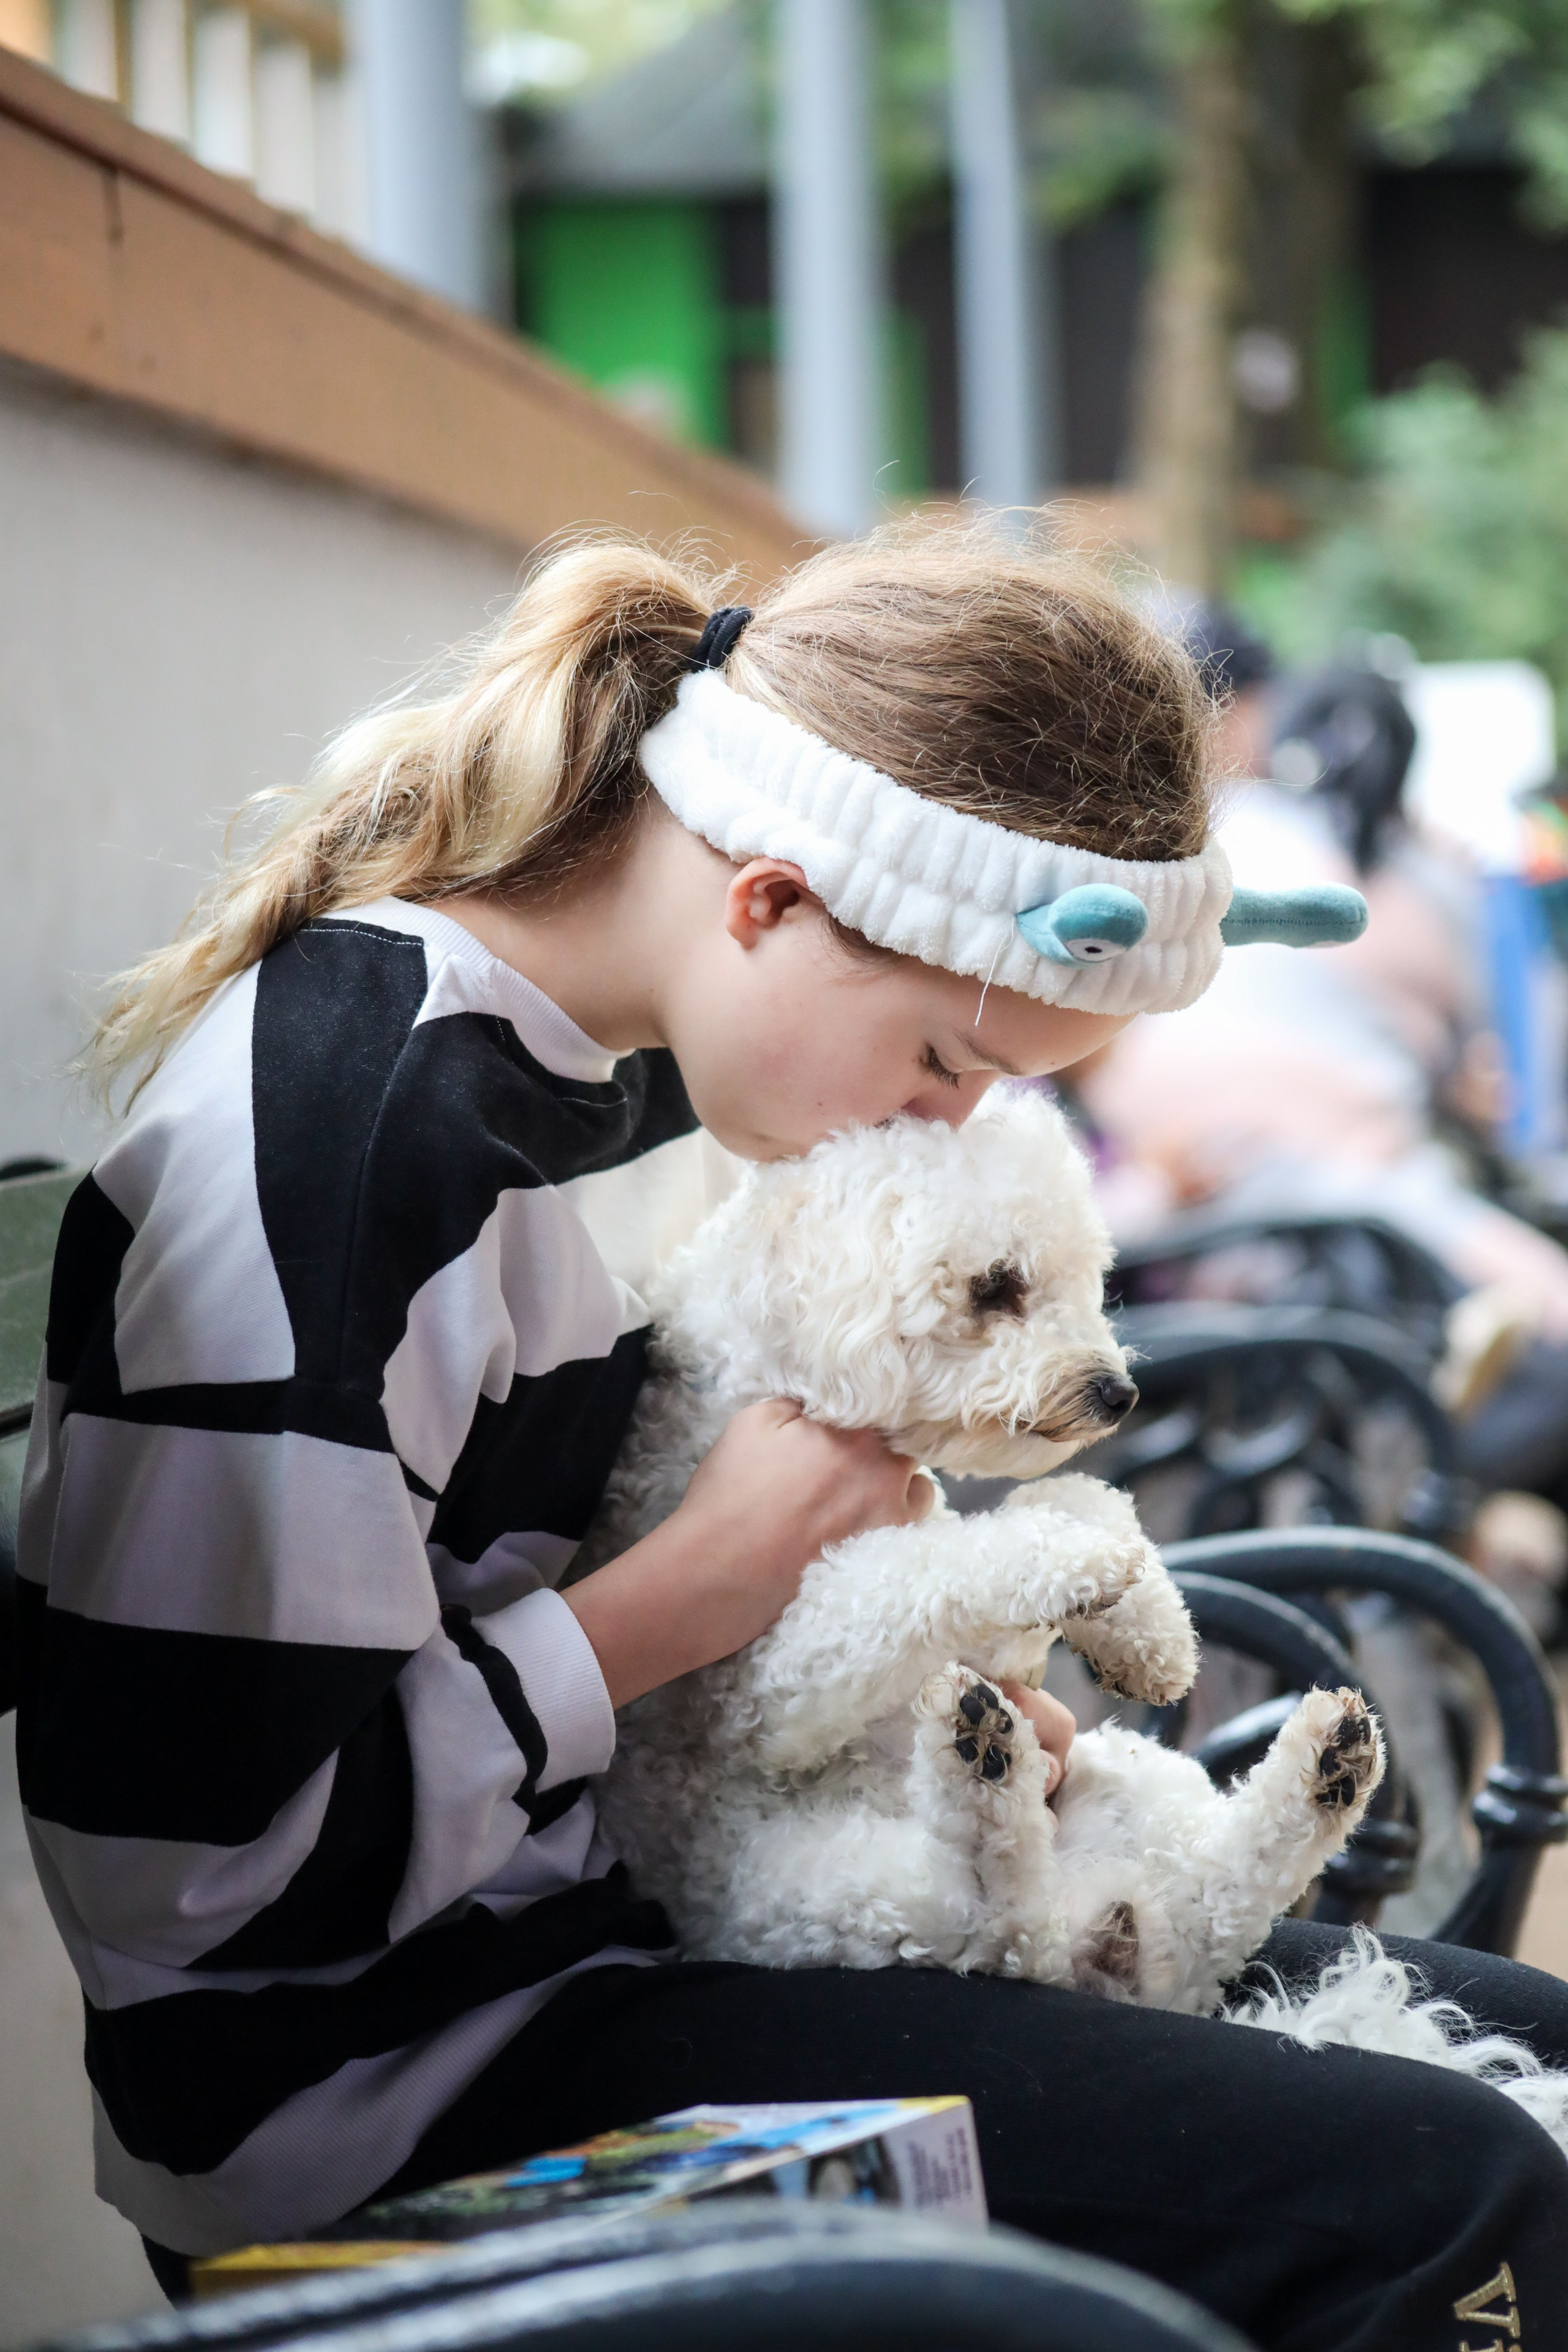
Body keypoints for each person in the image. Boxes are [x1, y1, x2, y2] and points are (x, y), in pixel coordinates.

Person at [16, 524, 1568, 2351]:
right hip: (382, 2111)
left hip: (591, 1950)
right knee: (1457, 2197)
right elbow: (194, 1866)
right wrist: (702, 1585)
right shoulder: (344, 1153)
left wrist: (890, 1715)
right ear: (768, 897)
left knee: (1530, 2053)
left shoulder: (545, 1070)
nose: (943, 1122)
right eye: (939, 1062)